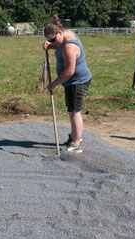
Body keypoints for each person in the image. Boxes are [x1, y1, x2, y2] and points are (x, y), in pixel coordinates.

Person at [42, 15, 92, 153]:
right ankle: (75, 135)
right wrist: (50, 45)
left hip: (77, 81)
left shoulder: (69, 46)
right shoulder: (64, 35)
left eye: (52, 39)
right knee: (72, 110)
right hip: (72, 81)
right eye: (48, 40)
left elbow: (69, 71)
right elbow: (58, 44)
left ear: (59, 33)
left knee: (74, 111)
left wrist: (54, 84)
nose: (51, 41)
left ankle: (76, 143)